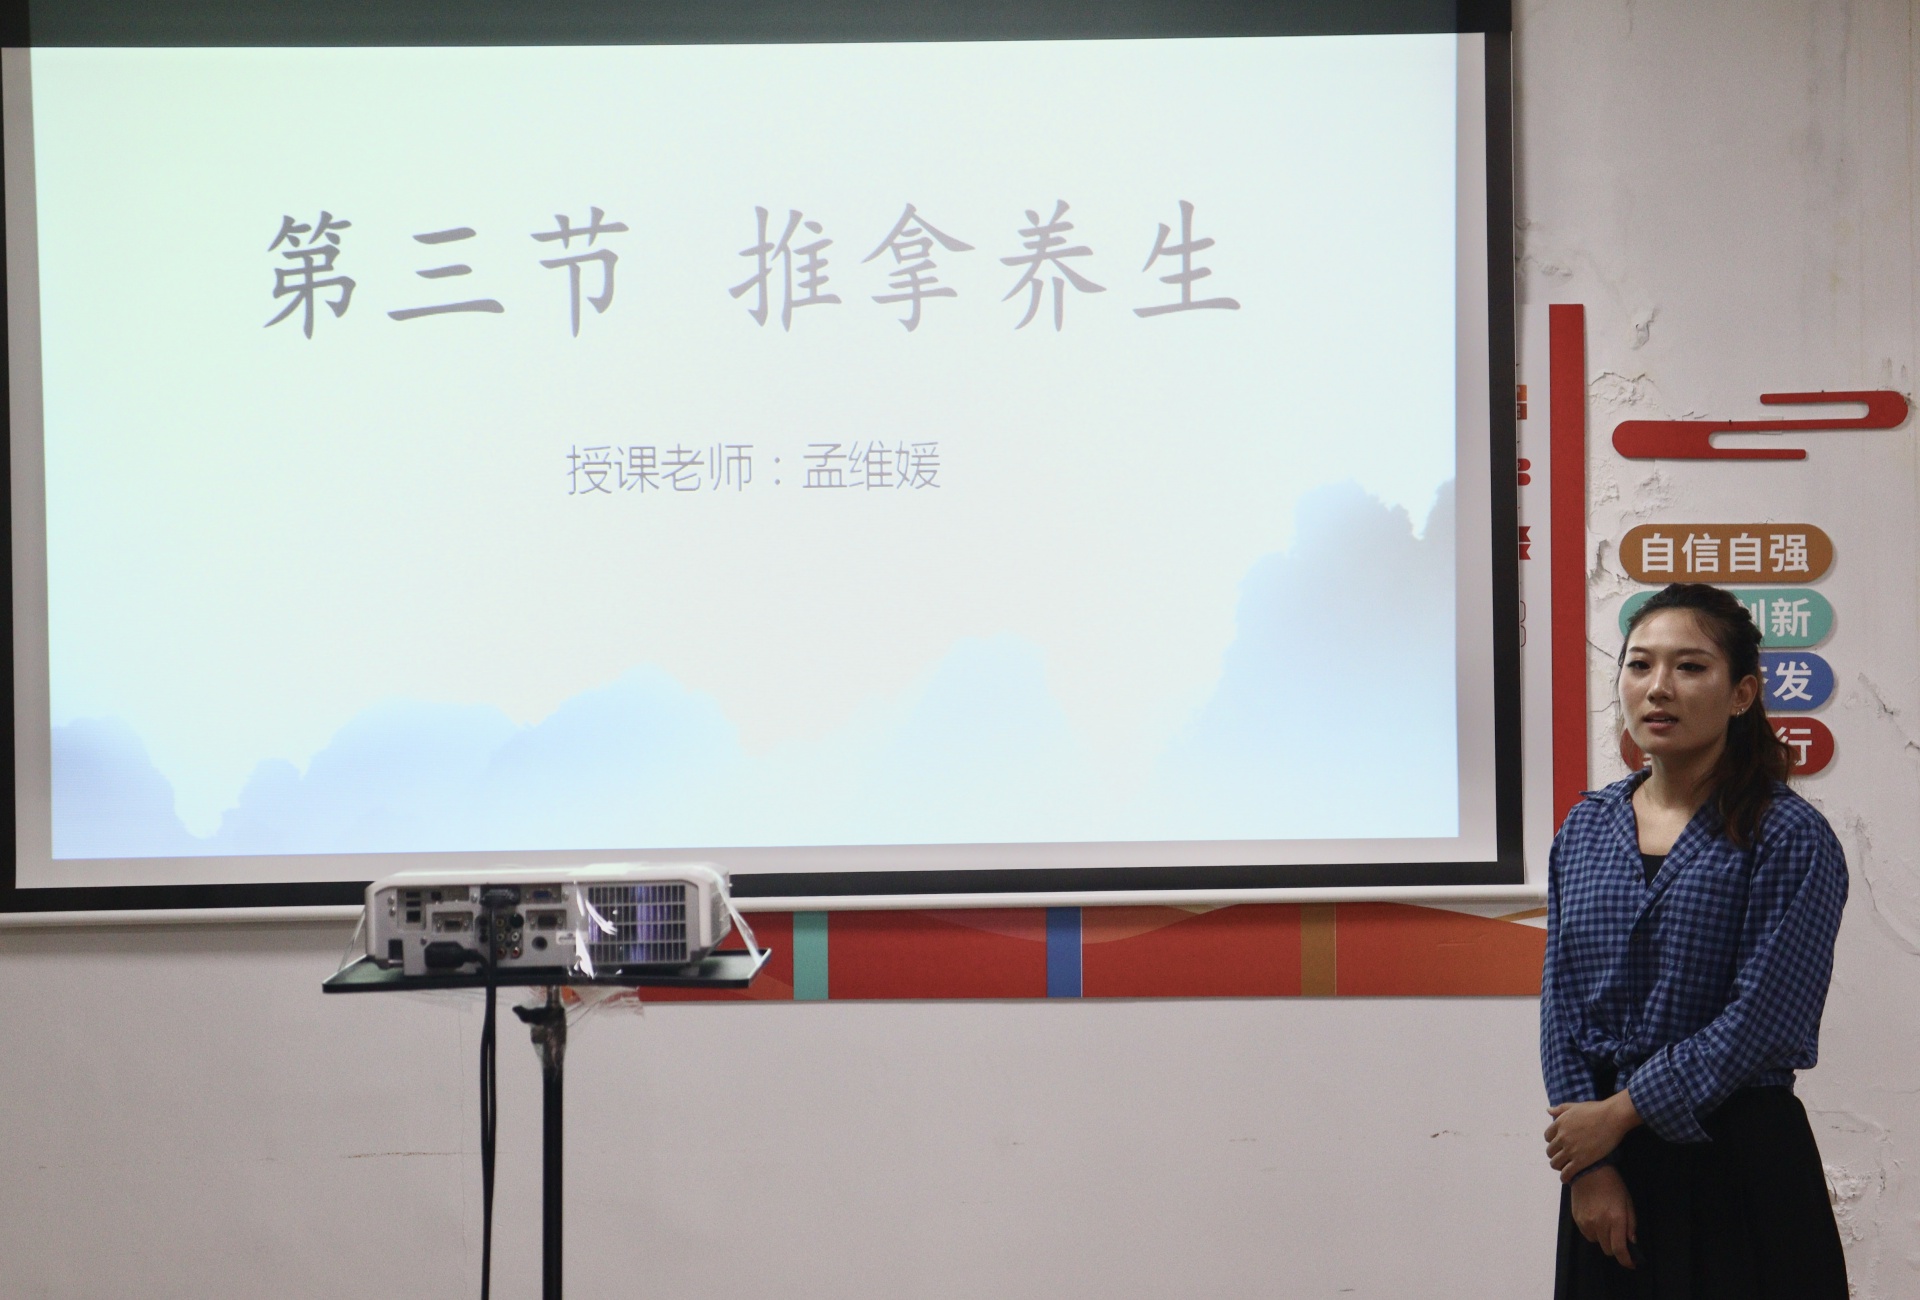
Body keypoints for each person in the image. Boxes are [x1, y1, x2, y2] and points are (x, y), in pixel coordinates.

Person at [1539, 582, 1849, 1298]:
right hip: (1607, 1168)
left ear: (1742, 694)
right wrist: (1589, 1166)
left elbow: (1763, 1018)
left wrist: (1617, 1115)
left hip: (1739, 1159)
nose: (1659, 688)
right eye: (1640, 665)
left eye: (1690, 667)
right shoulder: (1586, 828)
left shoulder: (1788, 835)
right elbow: (1561, 1004)